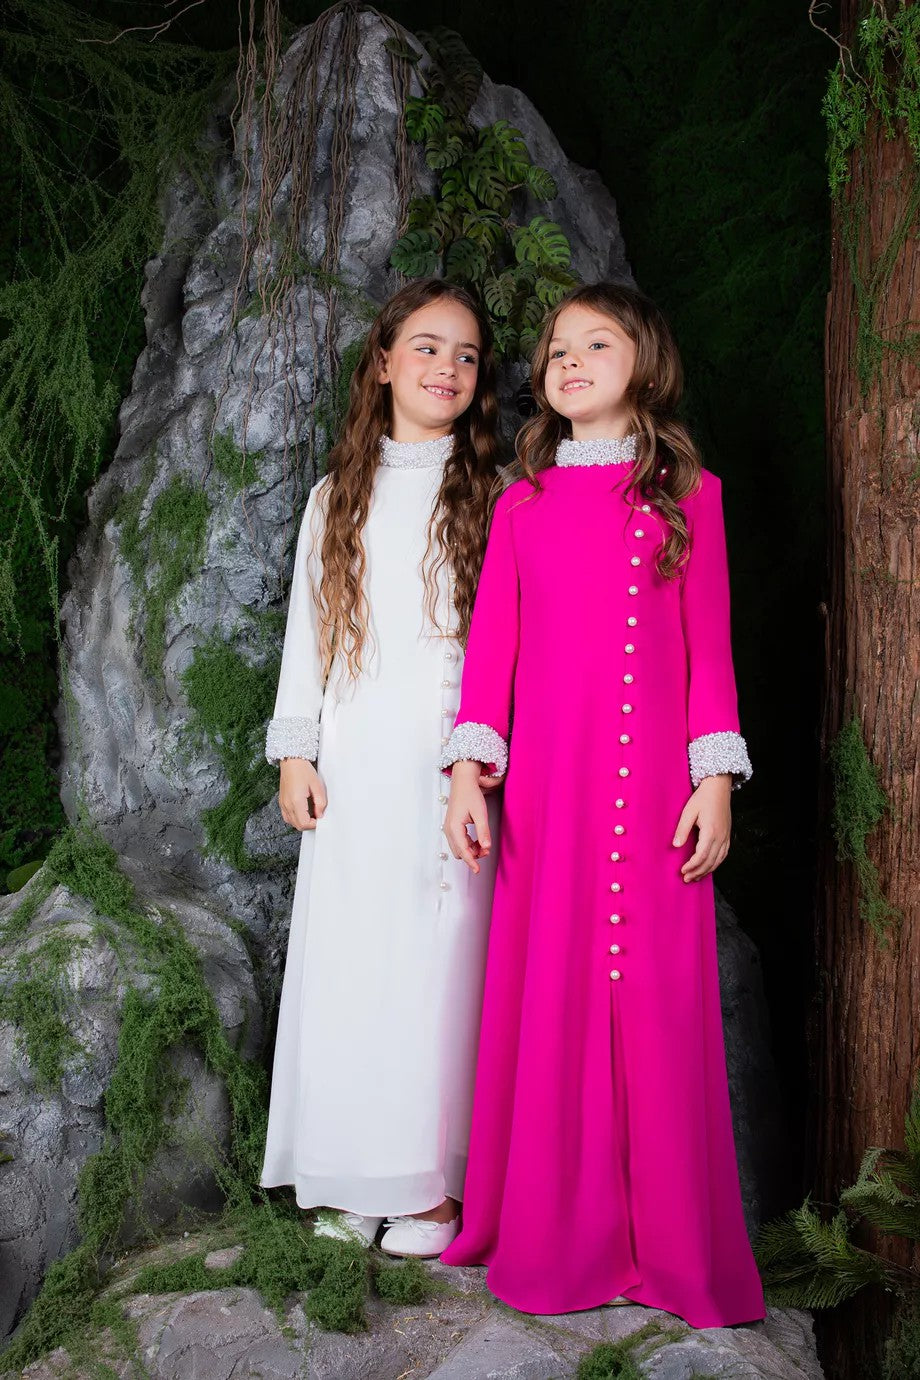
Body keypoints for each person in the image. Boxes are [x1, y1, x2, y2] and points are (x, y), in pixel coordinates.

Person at [440, 282, 765, 1326]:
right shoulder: (520, 504)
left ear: (645, 364)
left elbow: (709, 649)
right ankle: (556, 1236)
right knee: (555, 993)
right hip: (549, 791)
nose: (570, 361)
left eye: (596, 343)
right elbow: (491, 651)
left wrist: (713, 779)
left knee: (658, 1003)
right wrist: (467, 772)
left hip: (655, 791)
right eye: (556, 349)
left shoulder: (690, 496)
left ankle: (666, 1248)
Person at [260, 278, 504, 1258]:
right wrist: (297, 751)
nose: (446, 367)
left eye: (466, 355)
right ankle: (351, 1174)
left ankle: (429, 1188)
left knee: (439, 967)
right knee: (352, 964)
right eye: (428, 347)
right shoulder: (336, 497)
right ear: (383, 362)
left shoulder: (494, 495)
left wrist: (481, 756)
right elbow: (308, 634)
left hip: (450, 760)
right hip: (355, 761)